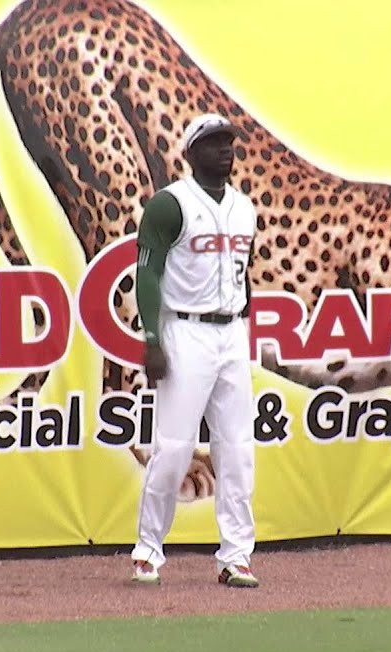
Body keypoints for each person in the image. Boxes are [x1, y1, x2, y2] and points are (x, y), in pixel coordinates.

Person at [129, 112, 260, 588]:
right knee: (174, 449)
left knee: (238, 450)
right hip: (185, 331)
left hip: (231, 333)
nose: (225, 149)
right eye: (213, 143)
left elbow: (246, 277)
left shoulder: (245, 209)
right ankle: (147, 550)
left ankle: (236, 555)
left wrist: (248, 332)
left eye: (229, 142)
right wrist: (152, 338)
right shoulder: (170, 205)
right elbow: (148, 273)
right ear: (191, 153)